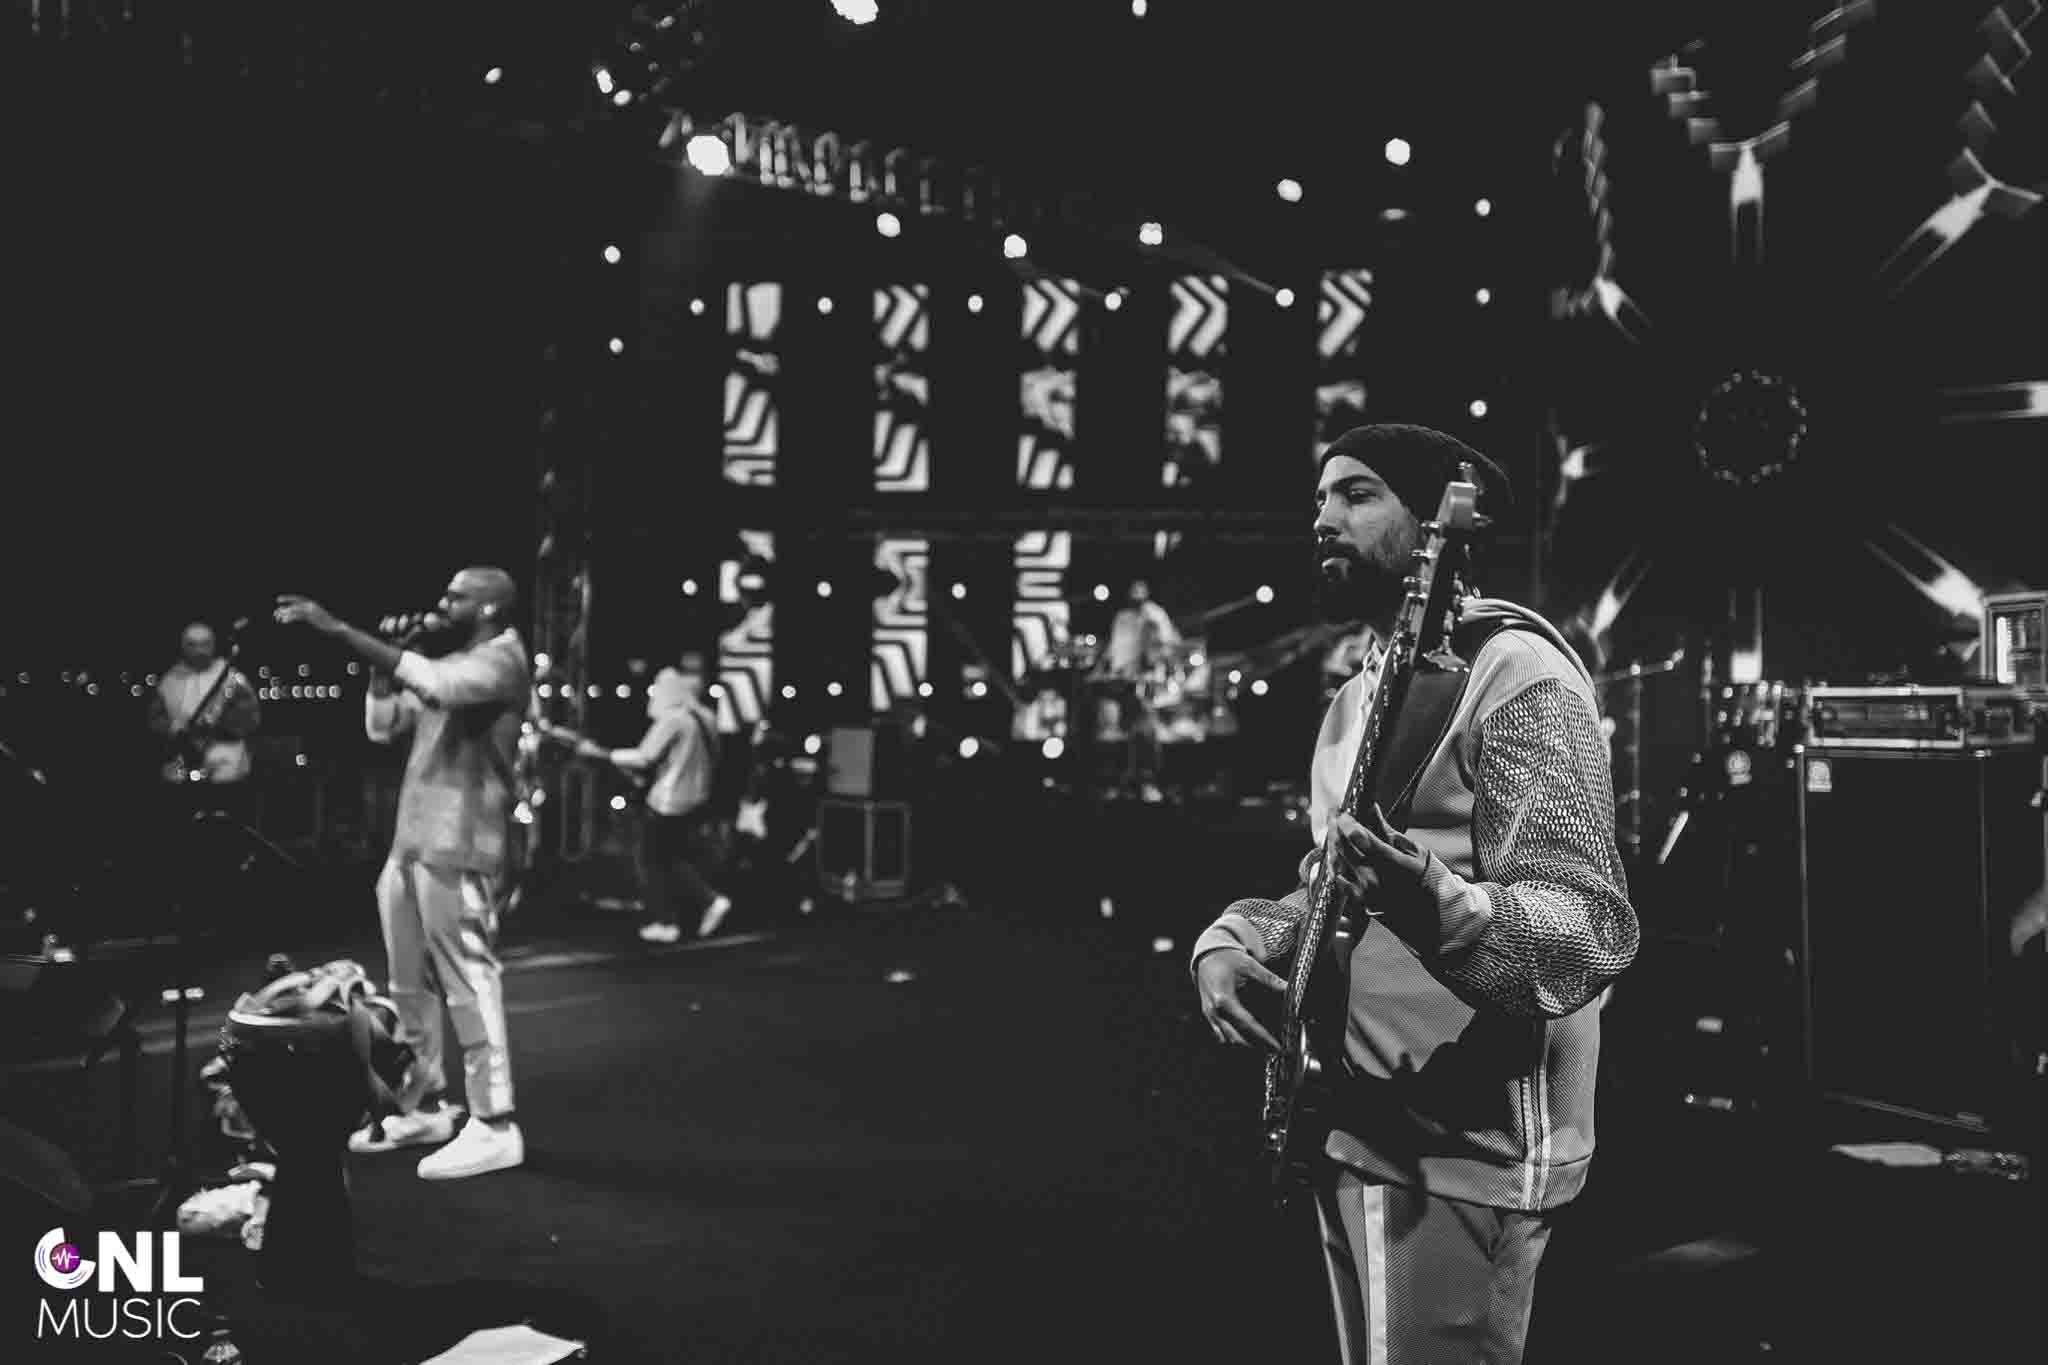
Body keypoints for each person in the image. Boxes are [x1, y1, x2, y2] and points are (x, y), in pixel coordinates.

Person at [1192, 423, 1639, 1364]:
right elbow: (1332, 891)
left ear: (1442, 522)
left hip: (1465, 1150)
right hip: (1353, 1123)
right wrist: (1237, 937)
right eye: (1320, 499)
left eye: (1359, 494)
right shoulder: (1355, 699)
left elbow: (1587, 924)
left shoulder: (1516, 672)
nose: (1325, 518)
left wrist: (1437, 902)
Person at [273, 567, 531, 1180]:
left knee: (469, 982)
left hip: (460, 843)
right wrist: (383, 665)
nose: (441, 603)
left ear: (489, 607)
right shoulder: (453, 659)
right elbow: (382, 726)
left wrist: (339, 630)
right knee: (408, 984)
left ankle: (495, 1123)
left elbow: (437, 685)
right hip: (412, 844)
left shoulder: (502, 659)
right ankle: (424, 1104)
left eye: (455, 597)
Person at [576, 653, 733, 943]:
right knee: (673, 856)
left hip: (668, 801)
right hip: (698, 798)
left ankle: (679, 914)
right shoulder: (706, 717)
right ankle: (691, 909)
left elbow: (644, 757)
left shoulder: (674, 720)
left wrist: (603, 754)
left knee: (652, 860)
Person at [147, 620, 262, 821]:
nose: (199, 650)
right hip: (181, 771)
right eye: (192, 644)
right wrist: (173, 729)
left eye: (205, 644)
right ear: (183, 646)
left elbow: (250, 718)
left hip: (227, 770)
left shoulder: (232, 679)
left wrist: (220, 726)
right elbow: (155, 720)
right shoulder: (169, 681)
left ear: (213, 644)